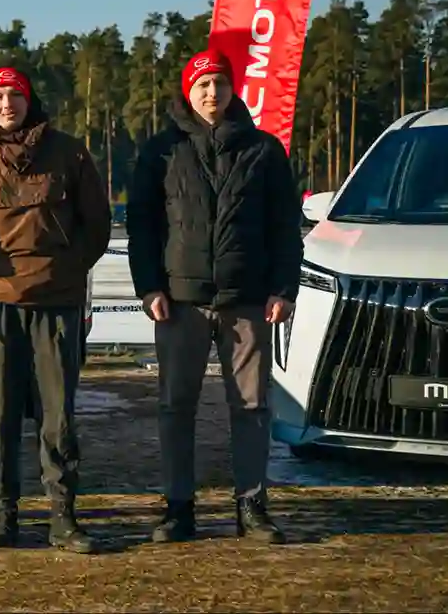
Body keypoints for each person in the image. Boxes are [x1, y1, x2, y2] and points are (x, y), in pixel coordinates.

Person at [126, 49, 302, 545]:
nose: (211, 93)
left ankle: (252, 507)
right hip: (179, 301)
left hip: (248, 301)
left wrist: (283, 288)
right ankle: (178, 508)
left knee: (251, 406)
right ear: (189, 91)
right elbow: (143, 225)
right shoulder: (162, 150)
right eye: (202, 85)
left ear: (231, 90)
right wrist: (149, 286)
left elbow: (285, 227)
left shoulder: (264, 150)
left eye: (220, 84)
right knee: (175, 406)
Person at [0, 67, 112, 552]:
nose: (7, 103)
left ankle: (62, 515)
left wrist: (65, 271)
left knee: (57, 414)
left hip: (56, 302)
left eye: (14, 94)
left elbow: (96, 225)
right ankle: (4, 513)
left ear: (29, 100)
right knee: (1, 414)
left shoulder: (69, 153)